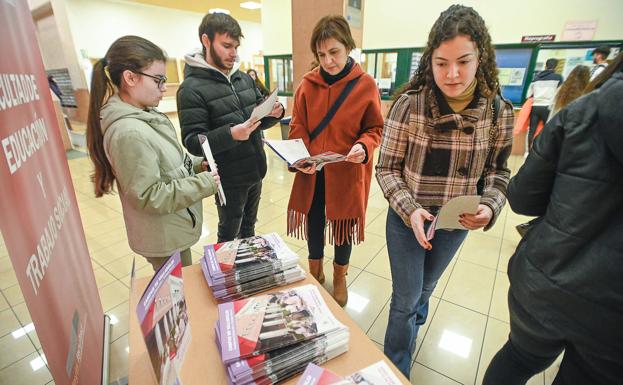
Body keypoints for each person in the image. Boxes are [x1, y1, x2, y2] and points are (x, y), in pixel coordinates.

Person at [375, 4, 513, 378]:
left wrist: (490, 207)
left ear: (480, 58)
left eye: (463, 62)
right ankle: (396, 369)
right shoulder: (409, 105)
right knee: (405, 299)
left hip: (456, 223)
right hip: (408, 220)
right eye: (441, 63)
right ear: (429, 61)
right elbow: (386, 168)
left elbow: (499, 172)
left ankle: (413, 328)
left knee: (426, 288)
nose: (452, 74)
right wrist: (409, 209)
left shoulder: (499, 112)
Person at [483, 54, 623, 385]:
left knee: (518, 358)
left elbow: (521, 197)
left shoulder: (582, 111)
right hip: (614, 317)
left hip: (549, 279)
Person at [86, 35, 220, 271]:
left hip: (173, 226)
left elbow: (172, 161)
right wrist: (204, 184)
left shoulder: (147, 115)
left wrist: (199, 165)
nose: (163, 88)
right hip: (162, 237)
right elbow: (149, 195)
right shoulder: (129, 132)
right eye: (158, 80)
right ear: (130, 77)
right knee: (179, 298)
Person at [286, 15, 383, 307]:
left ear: (348, 47)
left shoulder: (365, 85)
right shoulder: (307, 84)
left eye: (334, 52)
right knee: (314, 221)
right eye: (321, 54)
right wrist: (300, 154)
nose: (328, 61)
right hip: (313, 171)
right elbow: (298, 125)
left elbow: (375, 128)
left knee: (343, 226)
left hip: (347, 170)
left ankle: (339, 276)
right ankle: (315, 271)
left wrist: (363, 146)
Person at [177, 12, 284, 243]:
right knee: (229, 232)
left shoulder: (243, 79)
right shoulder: (191, 89)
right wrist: (231, 134)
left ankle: (248, 272)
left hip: (255, 169)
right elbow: (193, 141)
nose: (233, 53)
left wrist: (275, 114)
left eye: (236, 46)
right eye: (226, 46)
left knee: (249, 228)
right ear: (206, 41)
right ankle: (225, 275)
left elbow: (257, 120)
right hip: (229, 178)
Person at [525, 58, 563, 150]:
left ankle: (528, 151)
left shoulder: (536, 78)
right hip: (548, 107)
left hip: (535, 106)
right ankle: (543, 150)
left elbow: (528, 95)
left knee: (532, 130)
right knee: (548, 130)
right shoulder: (558, 78)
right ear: (555, 67)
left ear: (546, 66)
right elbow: (560, 94)